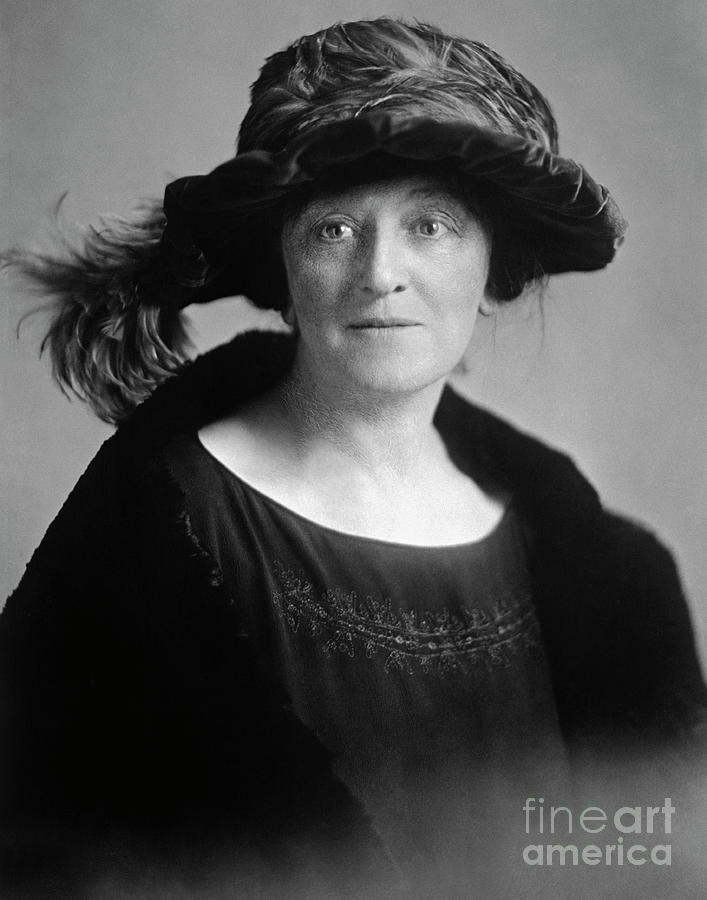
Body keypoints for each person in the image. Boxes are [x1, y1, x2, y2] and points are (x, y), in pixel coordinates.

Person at [1, 16, 705, 899]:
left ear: (495, 268)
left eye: (432, 225)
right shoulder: (156, 539)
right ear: (283, 263)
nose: (380, 272)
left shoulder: (607, 576)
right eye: (335, 228)